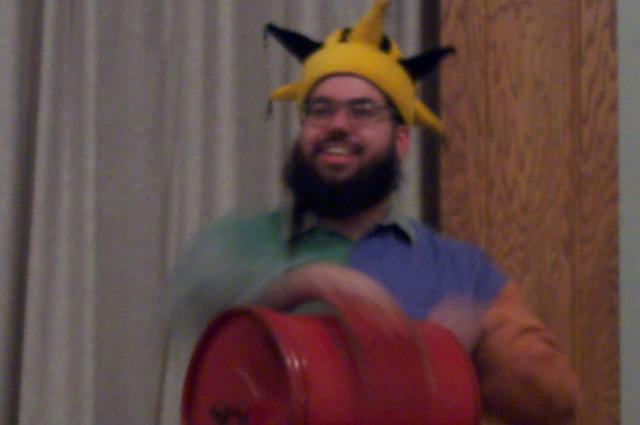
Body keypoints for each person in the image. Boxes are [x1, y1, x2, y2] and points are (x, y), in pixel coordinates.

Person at [158, 1, 579, 424]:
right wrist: (304, 280)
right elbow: (192, 297)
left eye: (362, 111)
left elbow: (557, 399)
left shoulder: (461, 270)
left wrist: (470, 342)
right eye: (320, 110)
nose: (338, 125)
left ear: (401, 140)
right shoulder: (240, 243)